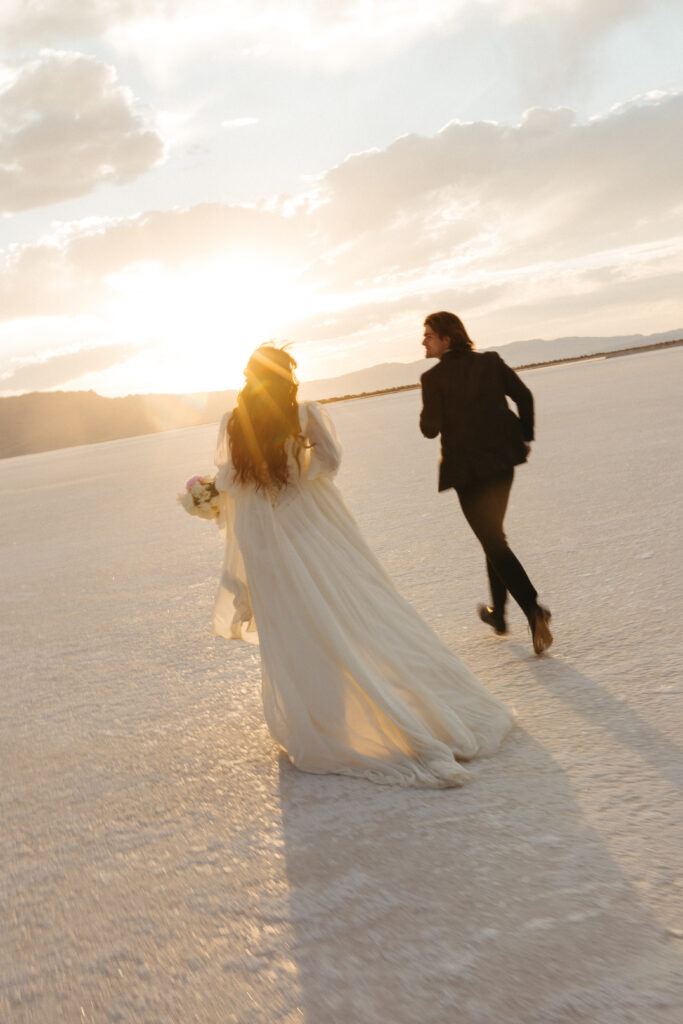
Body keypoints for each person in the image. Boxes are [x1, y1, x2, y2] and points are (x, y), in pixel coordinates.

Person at [211, 344, 513, 788]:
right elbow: (329, 464)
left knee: (295, 621)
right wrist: (297, 470)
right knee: (349, 607)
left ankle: (323, 714)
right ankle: (384, 704)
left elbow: (229, 481)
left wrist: (214, 490)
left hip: (263, 535)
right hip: (311, 522)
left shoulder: (233, 423)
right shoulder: (304, 414)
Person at [419, 312, 553, 655]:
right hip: (503, 461)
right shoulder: (491, 362)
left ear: (448, 338)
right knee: (494, 537)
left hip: (467, 471)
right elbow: (524, 397)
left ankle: (533, 610)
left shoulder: (432, 378)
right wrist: (524, 437)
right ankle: (498, 615)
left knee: (492, 540)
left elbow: (429, 429)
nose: (424, 341)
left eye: (429, 335)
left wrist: (431, 406)